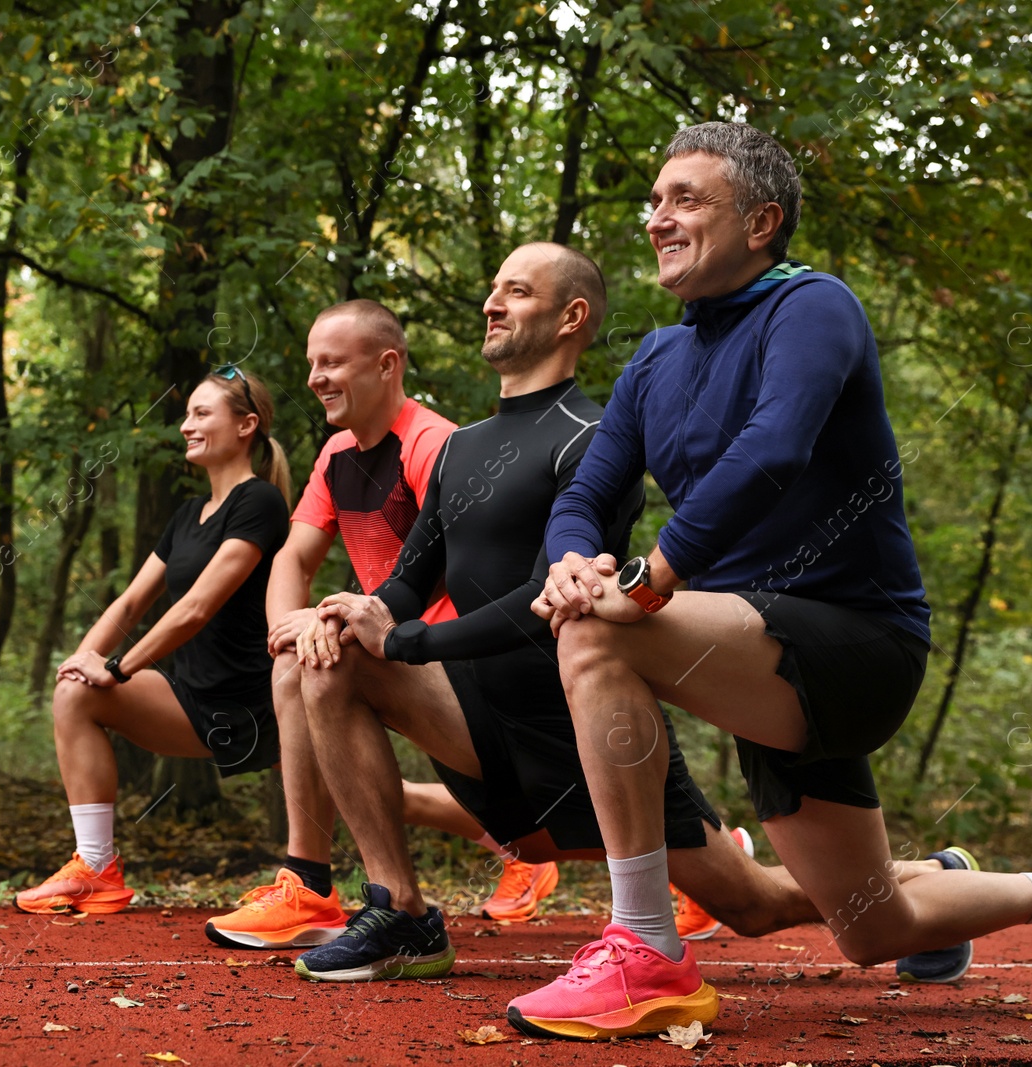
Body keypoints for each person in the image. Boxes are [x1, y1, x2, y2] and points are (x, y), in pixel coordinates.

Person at [526, 121, 1032, 1039]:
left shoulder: (814, 306)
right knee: (874, 926)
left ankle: (644, 951)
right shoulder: (655, 362)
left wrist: (649, 577)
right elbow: (587, 488)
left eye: (686, 199)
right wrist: (570, 559)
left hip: (856, 640)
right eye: (655, 200)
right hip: (756, 653)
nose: (657, 219)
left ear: (762, 221)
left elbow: (772, 451)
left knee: (597, 633)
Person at [289, 242, 879, 986]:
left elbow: (547, 603)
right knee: (331, 656)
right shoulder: (460, 447)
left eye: (517, 290)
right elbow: (410, 580)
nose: (491, 303)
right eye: (493, 287)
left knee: (755, 905)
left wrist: (408, 640)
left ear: (572, 317)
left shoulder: (592, 439)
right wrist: (355, 614)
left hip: (586, 725)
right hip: (478, 718)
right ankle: (401, 913)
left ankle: (923, 882)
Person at [204, 301, 564, 950]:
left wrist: (347, 626)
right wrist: (293, 621)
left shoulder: (435, 445)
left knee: (552, 825)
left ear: (388, 364)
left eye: (332, 361)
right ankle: (312, 882)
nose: (314, 376)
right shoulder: (337, 452)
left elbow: (468, 570)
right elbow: (295, 554)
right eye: (312, 362)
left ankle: (661, 844)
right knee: (300, 662)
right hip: (389, 650)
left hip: (463, 663)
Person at [14, 369, 292, 915]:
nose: (186, 425)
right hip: (191, 699)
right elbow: (130, 603)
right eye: (186, 414)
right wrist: (83, 661)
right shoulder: (189, 515)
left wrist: (116, 669)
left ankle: (506, 843)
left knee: (379, 792)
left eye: (202, 413)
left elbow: (194, 609)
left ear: (246, 425)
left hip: (254, 704)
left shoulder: (259, 502)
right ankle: (96, 869)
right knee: (74, 694)